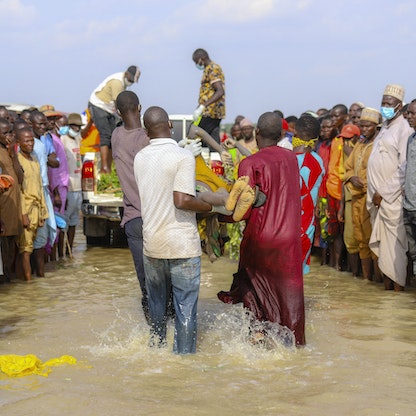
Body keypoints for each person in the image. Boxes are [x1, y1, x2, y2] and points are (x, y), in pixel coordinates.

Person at [217, 112, 305, 346]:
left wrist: (220, 218)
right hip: (289, 239)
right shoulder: (291, 159)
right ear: (280, 134)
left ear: (257, 133)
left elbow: (241, 209)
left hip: (261, 236)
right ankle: (293, 343)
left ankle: (258, 338)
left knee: (252, 290)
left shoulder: (250, 163)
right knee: (288, 293)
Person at [134, 106, 216, 354]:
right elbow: (182, 200)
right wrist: (209, 206)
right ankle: (184, 362)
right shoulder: (182, 156)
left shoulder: (140, 157)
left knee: (157, 308)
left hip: (153, 244)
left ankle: (156, 352)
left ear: (146, 130)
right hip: (182, 244)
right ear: (170, 124)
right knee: (185, 308)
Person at [367, 84, 413, 291]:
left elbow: (404, 169)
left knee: (395, 249)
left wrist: (383, 193)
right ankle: (388, 299)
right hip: (378, 200)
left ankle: (397, 292)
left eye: (389, 104)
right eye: (383, 103)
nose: (385, 107)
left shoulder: (404, 129)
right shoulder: (385, 127)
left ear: (399, 106)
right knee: (384, 251)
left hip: (391, 200)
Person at [111, 91, 150, 322]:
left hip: (133, 219)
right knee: (168, 284)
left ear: (118, 112)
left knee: (146, 286)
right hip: (156, 217)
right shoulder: (147, 138)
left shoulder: (116, 136)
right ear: (140, 107)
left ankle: (153, 339)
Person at [344, 108, 382, 281]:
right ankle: (366, 281)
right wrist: (352, 177)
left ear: (376, 126)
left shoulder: (379, 145)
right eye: (362, 126)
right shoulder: (360, 144)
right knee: (360, 239)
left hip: (371, 198)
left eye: (368, 126)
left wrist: (365, 184)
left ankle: (377, 280)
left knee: (373, 239)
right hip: (357, 198)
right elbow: (348, 167)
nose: (364, 129)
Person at [88, 65, 141, 173]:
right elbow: (119, 103)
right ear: (127, 74)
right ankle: (104, 168)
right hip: (98, 105)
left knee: (114, 136)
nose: (131, 83)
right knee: (105, 135)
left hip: (108, 109)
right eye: (131, 80)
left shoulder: (123, 84)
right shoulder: (117, 82)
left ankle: (110, 166)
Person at [292, 115, 325, 274]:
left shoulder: (285, 159)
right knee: (298, 273)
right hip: (306, 225)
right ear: (317, 138)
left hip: (282, 224)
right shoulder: (318, 162)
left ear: (295, 134)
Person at [16, 127, 48, 281]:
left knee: (39, 245)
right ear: (19, 143)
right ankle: (28, 283)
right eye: (26, 141)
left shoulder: (34, 159)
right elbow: (19, 192)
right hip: (26, 210)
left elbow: (39, 186)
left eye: (32, 141)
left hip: (37, 209)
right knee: (26, 249)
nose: (30, 144)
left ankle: (38, 279)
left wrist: (42, 212)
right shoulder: (18, 161)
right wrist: (23, 214)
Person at [30, 111, 57, 277]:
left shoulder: (43, 141)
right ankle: (37, 275)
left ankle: (39, 277)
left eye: (43, 124)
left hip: (44, 190)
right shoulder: (28, 143)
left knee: (44, 232)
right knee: (36, 234)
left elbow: (53, 161)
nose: (42, 127)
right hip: (35, 192)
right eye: (38, 124)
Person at [0, 118, 23, 281]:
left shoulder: (11, 151)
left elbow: (20, 177)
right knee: (4, 247)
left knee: (12, 247)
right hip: (3, 207)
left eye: (10, 132)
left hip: (14, 206)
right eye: (5, 133)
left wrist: (13, 153)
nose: (9, 136)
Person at [192, 49, 225, 148]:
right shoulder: (208, 69)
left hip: (211, 112)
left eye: (196, 62)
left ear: (201, 59)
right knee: (210, 140)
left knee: (198, 135)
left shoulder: (212, 68)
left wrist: (203, 106)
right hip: (208, 112)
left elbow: (220, 91)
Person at [60, 113, 83, 255]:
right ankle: (61, 252)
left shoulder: (76, 139)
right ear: (69, 126)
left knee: (74, 221)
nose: (77, 129)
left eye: (79, 127)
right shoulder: (63, 140)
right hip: (68, 187)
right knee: (64, 223)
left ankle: (70, 252)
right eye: (74, 126)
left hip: (78, 187)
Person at [403, 99, 416, 280]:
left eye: (413, 114)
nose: (409, 117)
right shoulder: (411, 139)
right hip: (409, 206)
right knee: (413, 254)